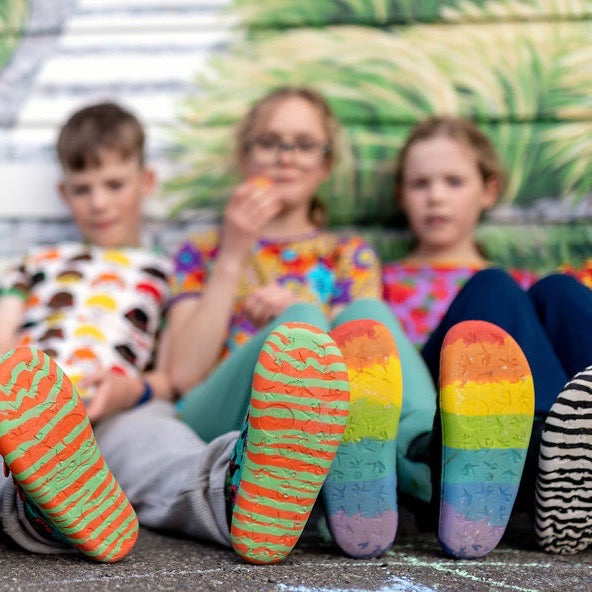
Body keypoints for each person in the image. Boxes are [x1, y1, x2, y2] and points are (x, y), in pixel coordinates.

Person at [0, 101, 347, 566]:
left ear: (146, 183)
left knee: (162, 453)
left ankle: (239, 489)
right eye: (83, 189)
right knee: (12, 459)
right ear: (64, 194)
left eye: (114, 185)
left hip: (126, 405)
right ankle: (40, 509)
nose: (98, 202)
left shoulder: (167, 271)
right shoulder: (33, 263)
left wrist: (132, 390)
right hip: (30, 412)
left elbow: (172, 374)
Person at [166, 86, 439, 559]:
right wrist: (233, 252)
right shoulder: (204, 250)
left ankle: (423, 455)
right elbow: (182, 375)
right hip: (216, 415)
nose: (285, 158)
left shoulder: (347, 255)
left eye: (304, 144)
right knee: (305, 322)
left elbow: (369, 360)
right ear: (244, 155)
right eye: (269, 142)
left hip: (329, 420)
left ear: (325, 163)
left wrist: (304, 303)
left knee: (368, 317)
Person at [382, 115, 592, 556]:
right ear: (402, 195)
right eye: (420, 184)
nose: (435, 196)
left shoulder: (526, 288)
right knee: (491, 287)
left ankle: (567, 458)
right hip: (449, 433)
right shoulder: (379, 282)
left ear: (488, 190)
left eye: (453, 181)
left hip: (521, 425)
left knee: (562, 292)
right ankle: (553, 456)